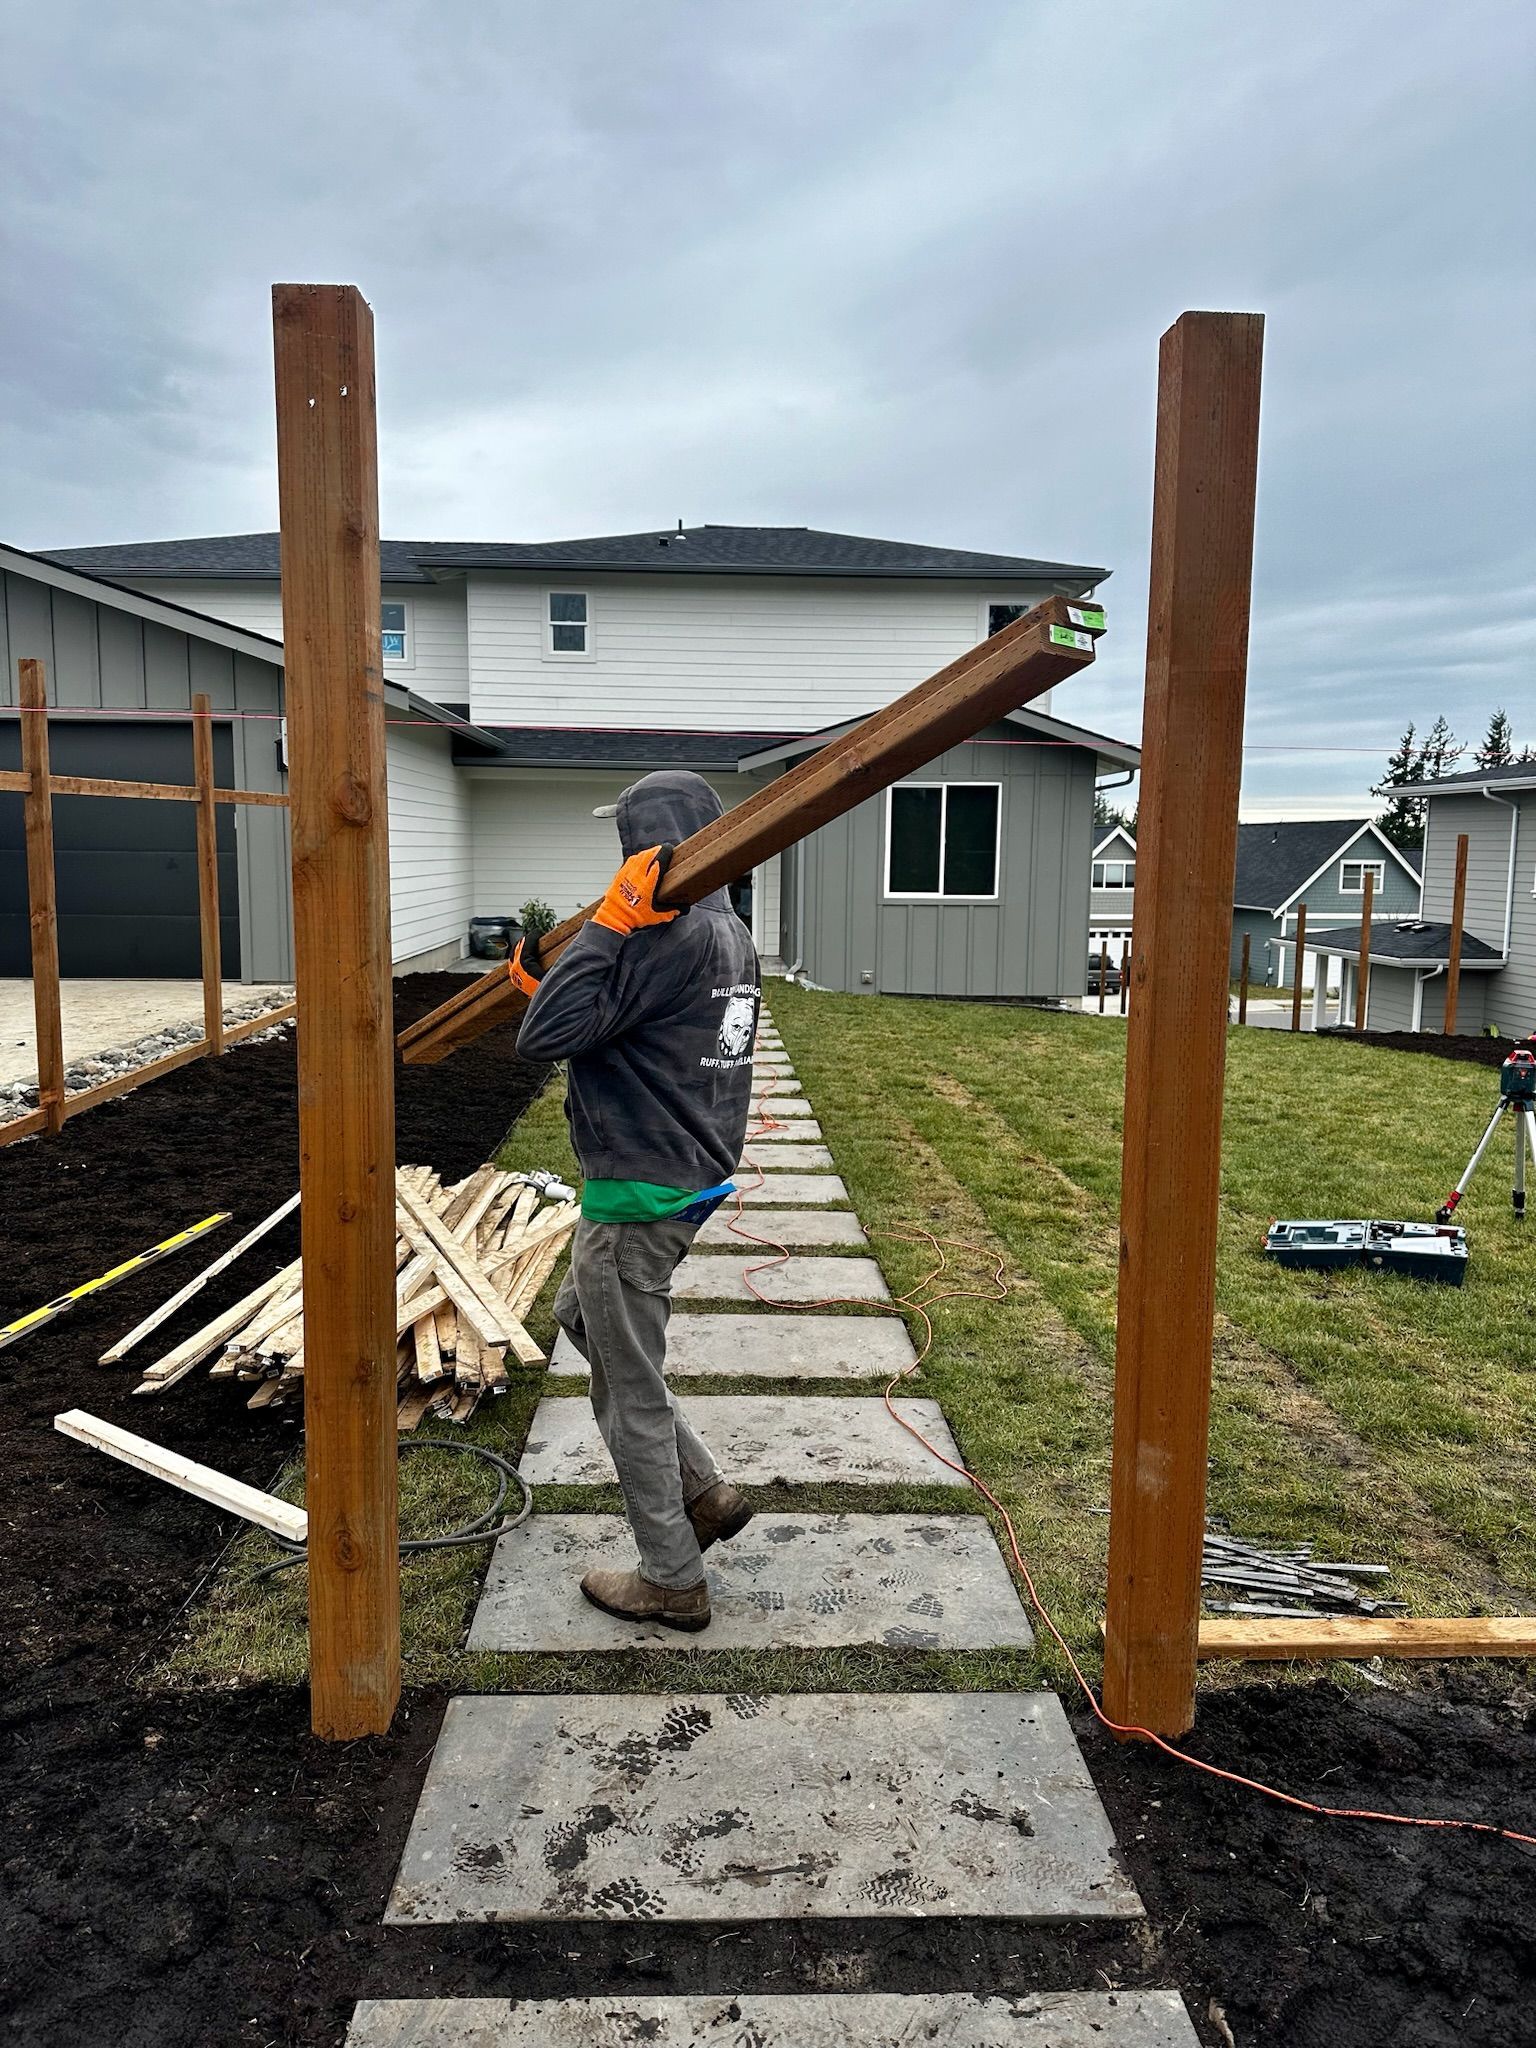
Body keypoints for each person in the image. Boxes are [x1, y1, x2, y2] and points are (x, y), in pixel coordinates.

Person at [511, 770, 762, 1632]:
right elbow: (610, 1024)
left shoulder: (659, 935)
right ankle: (705, 1495)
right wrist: (558, 982)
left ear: (640, 852)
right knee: (585, 1317)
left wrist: (608, 929)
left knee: (628, 1394)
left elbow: (540, 1041)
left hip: (635, 1195)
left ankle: (671, 1577)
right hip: (688, 1173)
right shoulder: (730, 932)